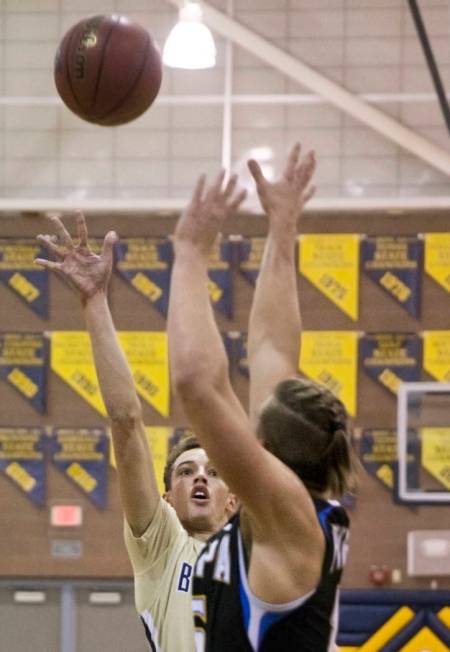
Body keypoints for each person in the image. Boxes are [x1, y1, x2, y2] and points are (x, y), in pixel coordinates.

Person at [168, 144, 357, 651]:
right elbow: (272, 345)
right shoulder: (295, 505)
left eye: (254, 426)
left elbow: (195, 381)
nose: (244, 424)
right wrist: (282, 227)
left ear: (266, 453)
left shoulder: (285, 514)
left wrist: (189, 254)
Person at [34, 204, 243, 652]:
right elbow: (126, 422)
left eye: (212, 470)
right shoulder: (162, 547)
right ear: (166, 499)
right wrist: (94, 302)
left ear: (235, 500)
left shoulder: (257, 552)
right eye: (185, 472)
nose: (200, 476)